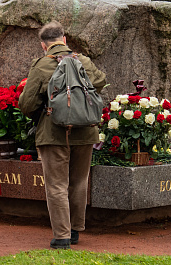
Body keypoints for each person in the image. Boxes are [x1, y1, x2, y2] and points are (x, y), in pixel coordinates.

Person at [18, 21, 107, 250]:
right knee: (78, 181)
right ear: (64, 39)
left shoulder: (41, 65)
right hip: (86, 131)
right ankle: (76, 229)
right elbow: (100, 81)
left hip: (54, 133)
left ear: (43, 45)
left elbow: (26, 104)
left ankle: (62, 236)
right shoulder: (83, 60)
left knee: (56, 184)